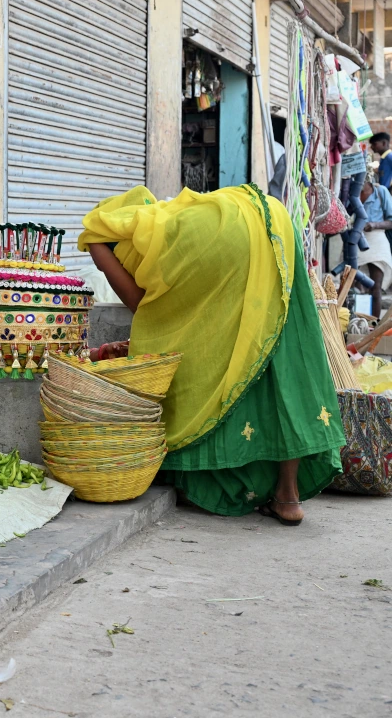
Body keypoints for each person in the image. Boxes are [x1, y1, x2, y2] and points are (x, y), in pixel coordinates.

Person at [81, 184, 343, 526]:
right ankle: (288, 496)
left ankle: (223, 476)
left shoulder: (99, 235)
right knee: (280, 358)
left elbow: (141, 306)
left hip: (229, 234)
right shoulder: (168, 216)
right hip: (270, 217)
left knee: (218, 357)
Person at [327, 174, 392, 321]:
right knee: (351, 285)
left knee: (376, 287)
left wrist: (374, 225)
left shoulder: (380, 192)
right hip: (355, 239)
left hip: (376, 240)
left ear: (367, 179)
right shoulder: (348, 192)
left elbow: (391, 220)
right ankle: (350, 323)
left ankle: (373, 324)